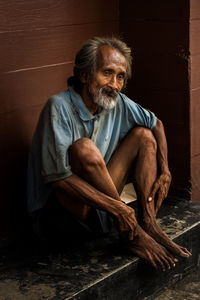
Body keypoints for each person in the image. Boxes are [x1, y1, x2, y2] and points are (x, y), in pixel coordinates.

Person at [27, 36, 191, 271]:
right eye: (107, 73)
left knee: (144, 135)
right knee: (84, 148)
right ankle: (133, 235)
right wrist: (121, 209)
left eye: (120, 76)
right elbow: (59, 179)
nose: (114, 84)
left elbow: (156, 124)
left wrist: (165, 171)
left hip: (99, 211)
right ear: (84, 75)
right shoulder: (59, 106)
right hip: (59, 220)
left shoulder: (117, 102)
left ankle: (147, 221)